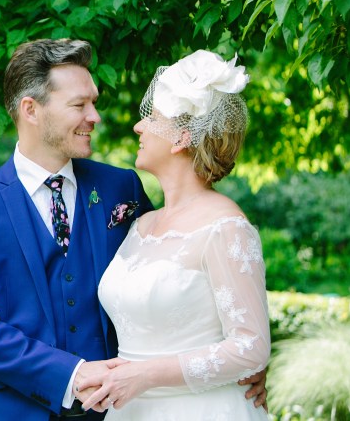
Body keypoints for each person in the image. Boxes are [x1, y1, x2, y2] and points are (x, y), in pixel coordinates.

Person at [0, 39, 266, 420]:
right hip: (8, 409)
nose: (95, 116)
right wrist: (72, 375)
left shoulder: (120, 188)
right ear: (31, 109)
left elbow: (191, 280)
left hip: (119, 409)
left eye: (93, 102)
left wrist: (236, 364)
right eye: (79, 105)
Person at [76, 50, 270, 419]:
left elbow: (251, 346)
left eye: (152, 118)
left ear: (181, 138)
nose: (139, 126)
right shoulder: (141, 225)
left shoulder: (225, 227)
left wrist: (145, 375)